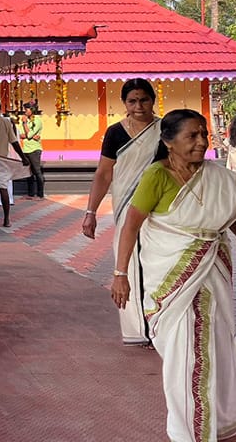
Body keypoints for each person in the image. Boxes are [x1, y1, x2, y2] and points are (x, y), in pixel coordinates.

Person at [112, 109, 236, 442]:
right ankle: (190, 431)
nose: (201, 142)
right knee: (186, 354)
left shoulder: (215, 176)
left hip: (212, 270)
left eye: (204, 135)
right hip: (172, 277)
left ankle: (217, 421)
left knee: (213, 344)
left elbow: (232, 218)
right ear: (169, 142)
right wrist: (119, 273)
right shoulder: (157, 175)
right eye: (192, 136)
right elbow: (132, 225)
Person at [82, 77, 162, 345]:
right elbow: (104, 174)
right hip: (128, 207)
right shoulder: (116, 132)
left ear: (153, 100)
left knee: (157, 265)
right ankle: (137, 330)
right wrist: (90, 212)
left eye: (144, 100)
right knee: (128, 264)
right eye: (132, 101)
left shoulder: (166, 130)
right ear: (125, 104)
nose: (139, 106)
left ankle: (160, 326)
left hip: (162, 209)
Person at [0, 97, 29, 227]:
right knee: (3, 188)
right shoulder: (5, 122)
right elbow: (14, 141)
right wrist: (23, 157)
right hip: (1, 159)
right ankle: (6, 219)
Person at [18, 102, 45, 198]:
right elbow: (20, 134)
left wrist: (25, 125)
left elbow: (28, 135)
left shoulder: (37, 120)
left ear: (32, 110)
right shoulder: (25, 120)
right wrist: (29, 135)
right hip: (25, 149)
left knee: (37, 171)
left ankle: (40, 194)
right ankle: (31, 193)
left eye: (26, 109)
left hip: (34, 149)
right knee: (28, 172)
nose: (25, 112)